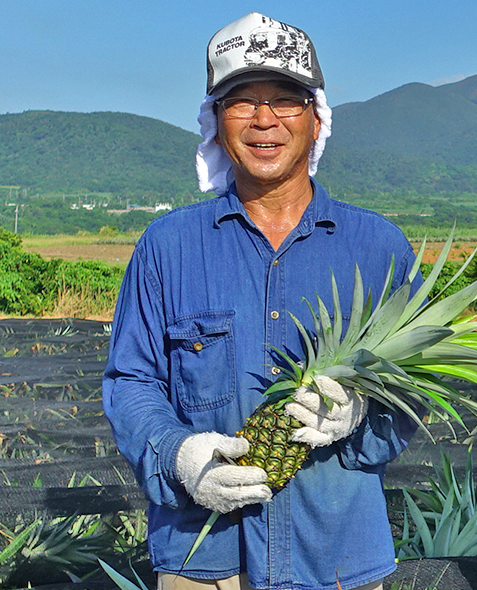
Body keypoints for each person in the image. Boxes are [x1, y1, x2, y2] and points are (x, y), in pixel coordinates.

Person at [103, 13, 414, 590]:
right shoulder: (167, 248)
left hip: (338, 559)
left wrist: (363, 414)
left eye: (286, 100)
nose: (264, 119)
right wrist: (180, 456)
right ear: (216, 122)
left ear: (317, 118)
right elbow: (131, 381)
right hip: (204, 563)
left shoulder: (377, 248)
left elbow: (413, 390)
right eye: (241, 101)